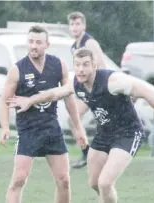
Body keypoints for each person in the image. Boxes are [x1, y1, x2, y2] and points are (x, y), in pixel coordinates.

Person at [8, 48, 151, 203]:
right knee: (95, 183)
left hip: (128, 134)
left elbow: (146, 90)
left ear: (94, 65)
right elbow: (54, 93)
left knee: (105, 183)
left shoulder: (112, 81)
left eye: (85, 64)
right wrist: (30, 100)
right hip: (104, 134)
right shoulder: (77, 84)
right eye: (77, 65)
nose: (81, 69)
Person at [0, 25, 87, 203]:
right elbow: (4, 100)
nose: (33, 46)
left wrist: (78, 128)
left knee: (64, 180)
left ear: (47, 44)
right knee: (18, 180)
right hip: (28, 131)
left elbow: (68, 96)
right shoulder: (18, 69)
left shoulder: (58, 65)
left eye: (38, 42)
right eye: (30, 41)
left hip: (51, 129)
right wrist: (5, 127)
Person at [67, 11, 107, 169]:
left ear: (84, 25)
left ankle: (106, 156)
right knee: (72, 118)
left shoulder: (90, 43)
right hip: (86, 90)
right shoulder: (73, 47)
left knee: (104, 124)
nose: (75, 27)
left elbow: (102, 66)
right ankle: (86, 152)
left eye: (78, 24)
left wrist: (99, 89)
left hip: (98, 89)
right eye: (72, 24)